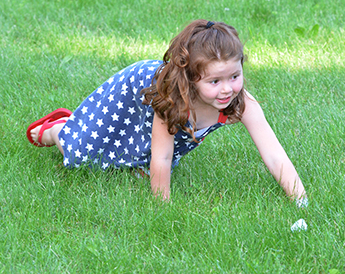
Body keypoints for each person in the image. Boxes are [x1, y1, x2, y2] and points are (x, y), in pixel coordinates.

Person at [27, 19, 307, 204]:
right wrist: (164, 208)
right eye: (214, 81)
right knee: (81, 152)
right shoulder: (173, 98)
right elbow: (161, 155)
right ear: (191, 80)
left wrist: (300, 200)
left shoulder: (243, 103)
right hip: (137, 90)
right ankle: (60, 128)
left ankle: (133, 163)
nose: (226, 90)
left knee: (137, 160)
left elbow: (273, 152)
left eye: (234, 76)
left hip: (171, 106)